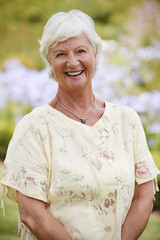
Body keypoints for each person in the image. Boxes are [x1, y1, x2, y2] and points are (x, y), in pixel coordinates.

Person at [0, 9, 159, 240]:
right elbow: (32, 214)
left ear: (95, 53)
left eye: (81, 51)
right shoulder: (34, 128)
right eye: (61, 54)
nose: (72, 62)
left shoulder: (127, 121)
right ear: (49, 60)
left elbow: (143, 196)